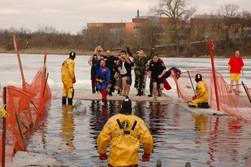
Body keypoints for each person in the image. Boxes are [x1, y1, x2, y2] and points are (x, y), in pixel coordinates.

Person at [97, 98, 154, 167]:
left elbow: (103, 137)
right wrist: (147, 153)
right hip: (132, 161)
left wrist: (102, 152)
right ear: (131, 109)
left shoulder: (112, 120)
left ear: (121, 108)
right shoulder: (139, 121)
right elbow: (148, 138)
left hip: (114, 161)